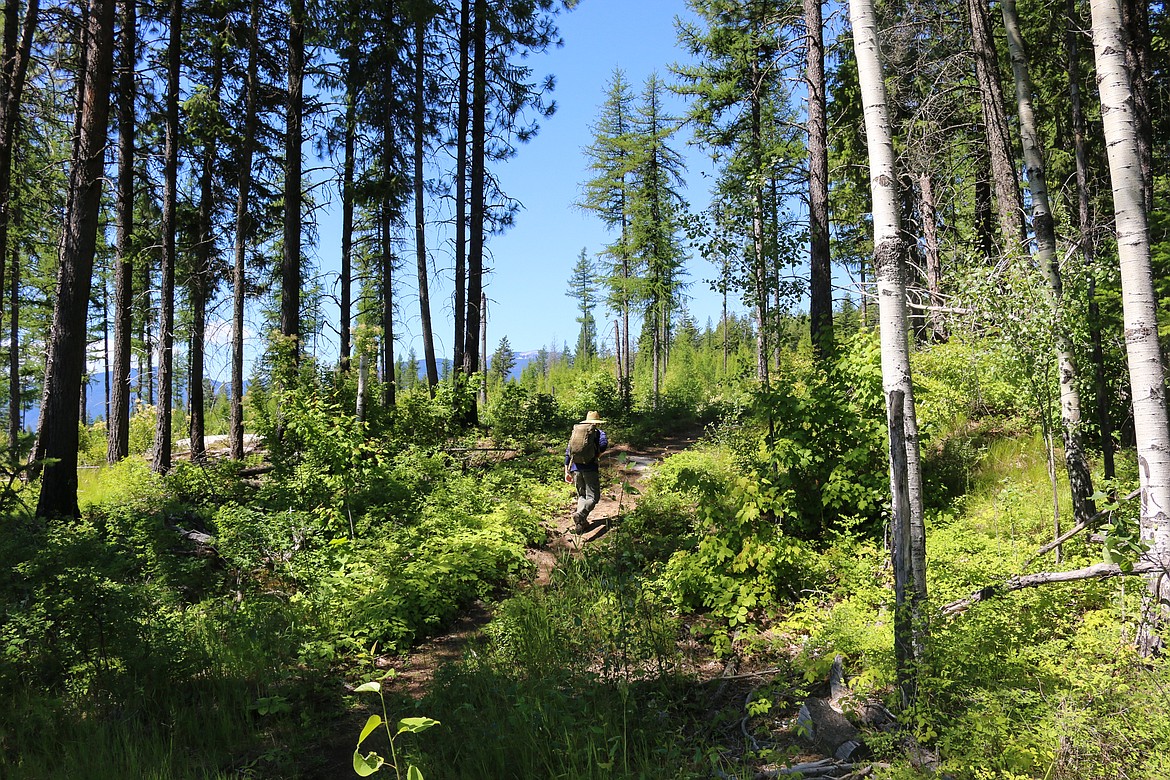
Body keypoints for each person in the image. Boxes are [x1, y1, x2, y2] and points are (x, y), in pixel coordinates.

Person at [564, 410, 608, 533]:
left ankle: (581, 523)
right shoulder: (598, 433)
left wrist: (566, 470)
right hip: (590, 468)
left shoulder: (577, 432)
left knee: (582, 496)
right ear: (597, 422)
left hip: (575, 468)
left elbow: (569, 451)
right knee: (594, 497)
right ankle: (581, 514)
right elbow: (604, 445)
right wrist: (597, 454)